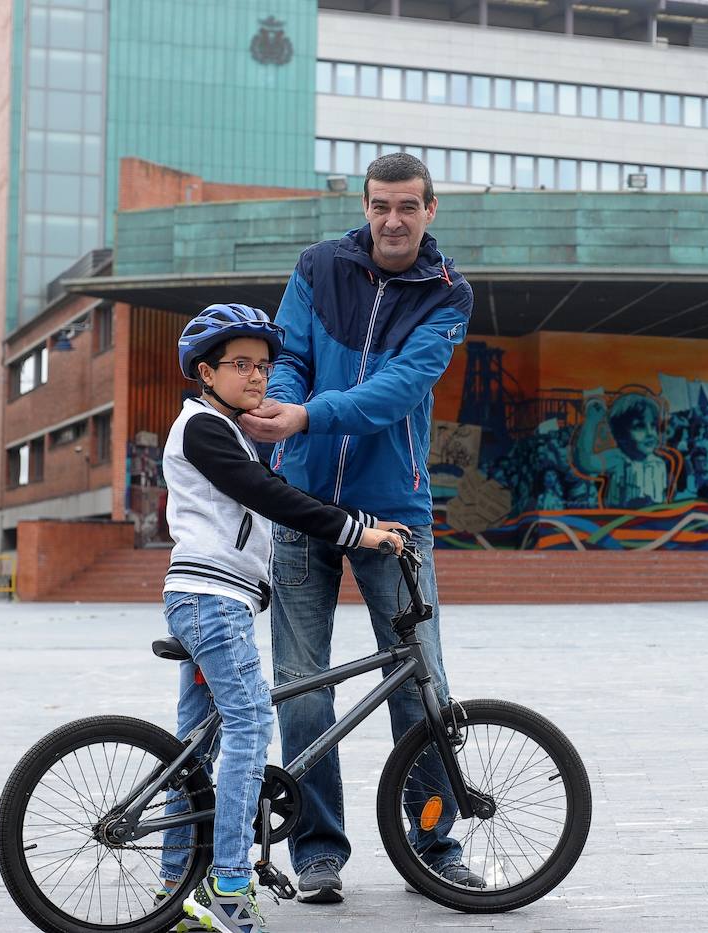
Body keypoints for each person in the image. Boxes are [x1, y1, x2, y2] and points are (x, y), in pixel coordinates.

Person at [238, 153, 480, 903]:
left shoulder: (448, 297)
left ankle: (434, 840)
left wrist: (307, 413)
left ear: (431, 210)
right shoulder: (317, 266)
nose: (393, 220)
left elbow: (395, 391)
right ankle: (318, 851)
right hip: (304, 507)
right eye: (381, 205)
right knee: (303, 686)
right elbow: (291, 358)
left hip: (394, 517)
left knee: (420, 687)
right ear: (365, 204)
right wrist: (284, 409)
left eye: (408, 207)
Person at [159, 304, 407, 931]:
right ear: (205, 372)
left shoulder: (227, 430)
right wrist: (359, 532)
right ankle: (229, 887)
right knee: (249, 728)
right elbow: (270, 497)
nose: (257, 377)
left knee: (196, 745)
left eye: (264, 366)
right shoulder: (203, 429)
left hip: (212, 600)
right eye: (240, 365)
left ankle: (176, 883)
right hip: (213, 605)